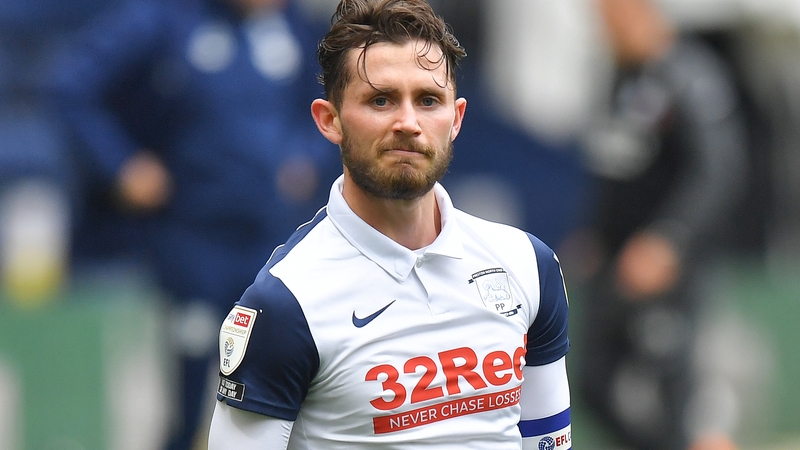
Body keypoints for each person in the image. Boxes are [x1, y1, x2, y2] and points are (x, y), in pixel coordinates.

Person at [207, 0, 571, 448]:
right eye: (381, 100)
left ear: (456, 119)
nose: (408, 123)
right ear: (329, 120)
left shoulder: (528, 265)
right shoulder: (285, 304)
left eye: (428, 100)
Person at [46, 0, 341, 448]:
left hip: (273, 239)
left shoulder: (295, 28)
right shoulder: (162, 20)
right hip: (193, 236)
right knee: (190, 387)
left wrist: (308, 158)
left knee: (280, 399)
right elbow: (71, 88)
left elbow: (334, 106)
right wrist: (122, 165)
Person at [563, 0, 749, 449]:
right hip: (616, 261)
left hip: (667, 265)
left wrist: (670, 239)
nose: (603, 28)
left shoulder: (689, 73)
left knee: (674, 392)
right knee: (593, 383)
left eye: (610, 16)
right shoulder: (620, 75)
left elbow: (720, 168)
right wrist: (597, 235)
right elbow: (617, 169)